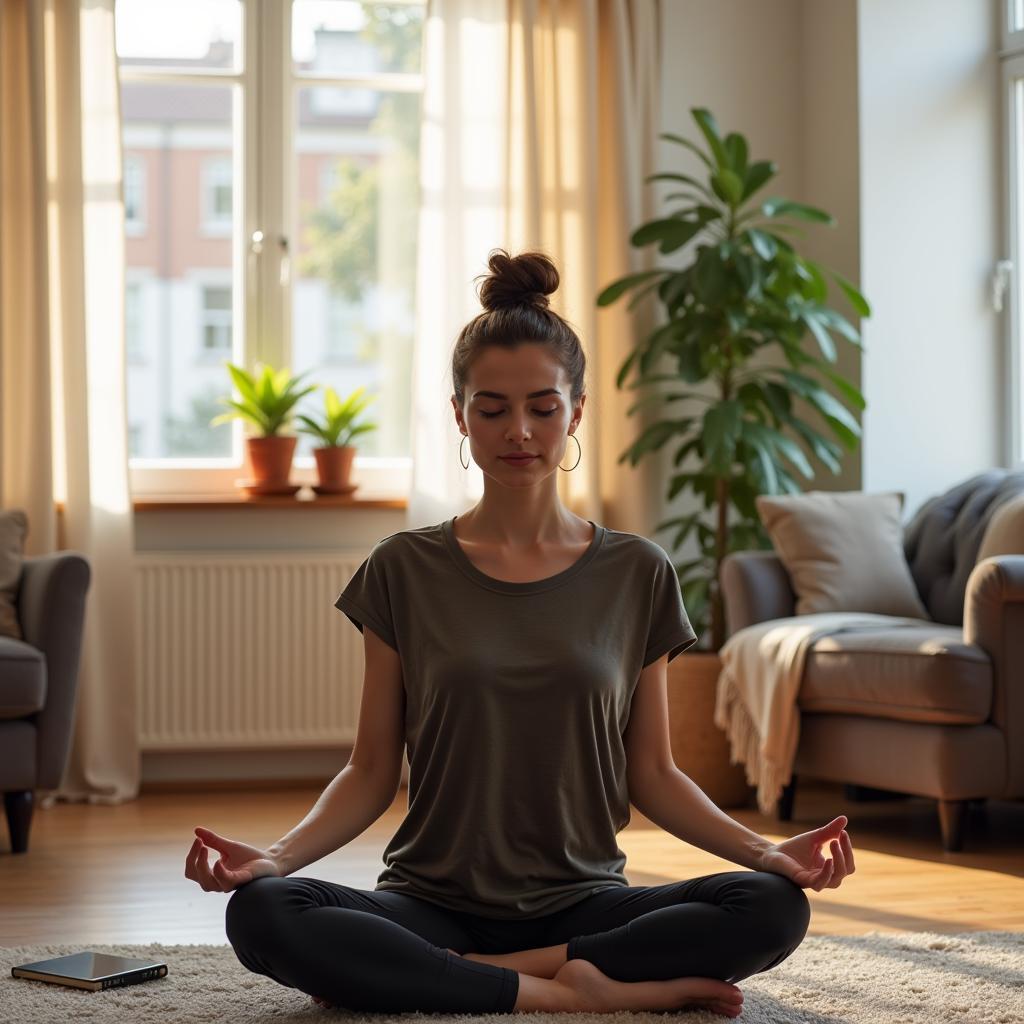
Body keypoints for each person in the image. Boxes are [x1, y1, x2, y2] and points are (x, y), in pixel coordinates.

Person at [185, 249, 855, 1017]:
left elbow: (656, 774)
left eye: (543, 406)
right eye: (492, 408)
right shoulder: (401, 568)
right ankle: (569, 993)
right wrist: (274, 858)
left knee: (772, 908)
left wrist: (767, 852)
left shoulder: (638, 571)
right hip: (429, 900)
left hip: (586, 903)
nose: (520, 432)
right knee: (265, 913)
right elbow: (371, 770)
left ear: (575, 412)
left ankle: (469, 974)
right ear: (459, 414)